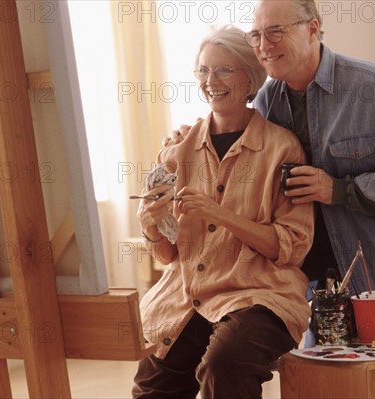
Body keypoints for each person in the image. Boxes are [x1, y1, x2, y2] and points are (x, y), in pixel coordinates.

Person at [169, 0, 375, 341]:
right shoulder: (265, 102)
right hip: (318, 283)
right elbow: (229, 139)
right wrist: (184, 137)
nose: (263, 45)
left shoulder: (374, 87)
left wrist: (339, 189)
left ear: (313, 29)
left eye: (275, 32)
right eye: (256, 34)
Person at [132, 24, 313, 399]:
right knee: (152, 383)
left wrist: (220, 214)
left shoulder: (283, 149)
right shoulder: (176, 151)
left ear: (251, 77)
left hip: (260, 294)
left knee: (224, 363)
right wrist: (151, 227)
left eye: (223, 70)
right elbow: (168, 254)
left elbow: (291, 248)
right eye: (203, 70)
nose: (210, 80)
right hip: (187, 295)